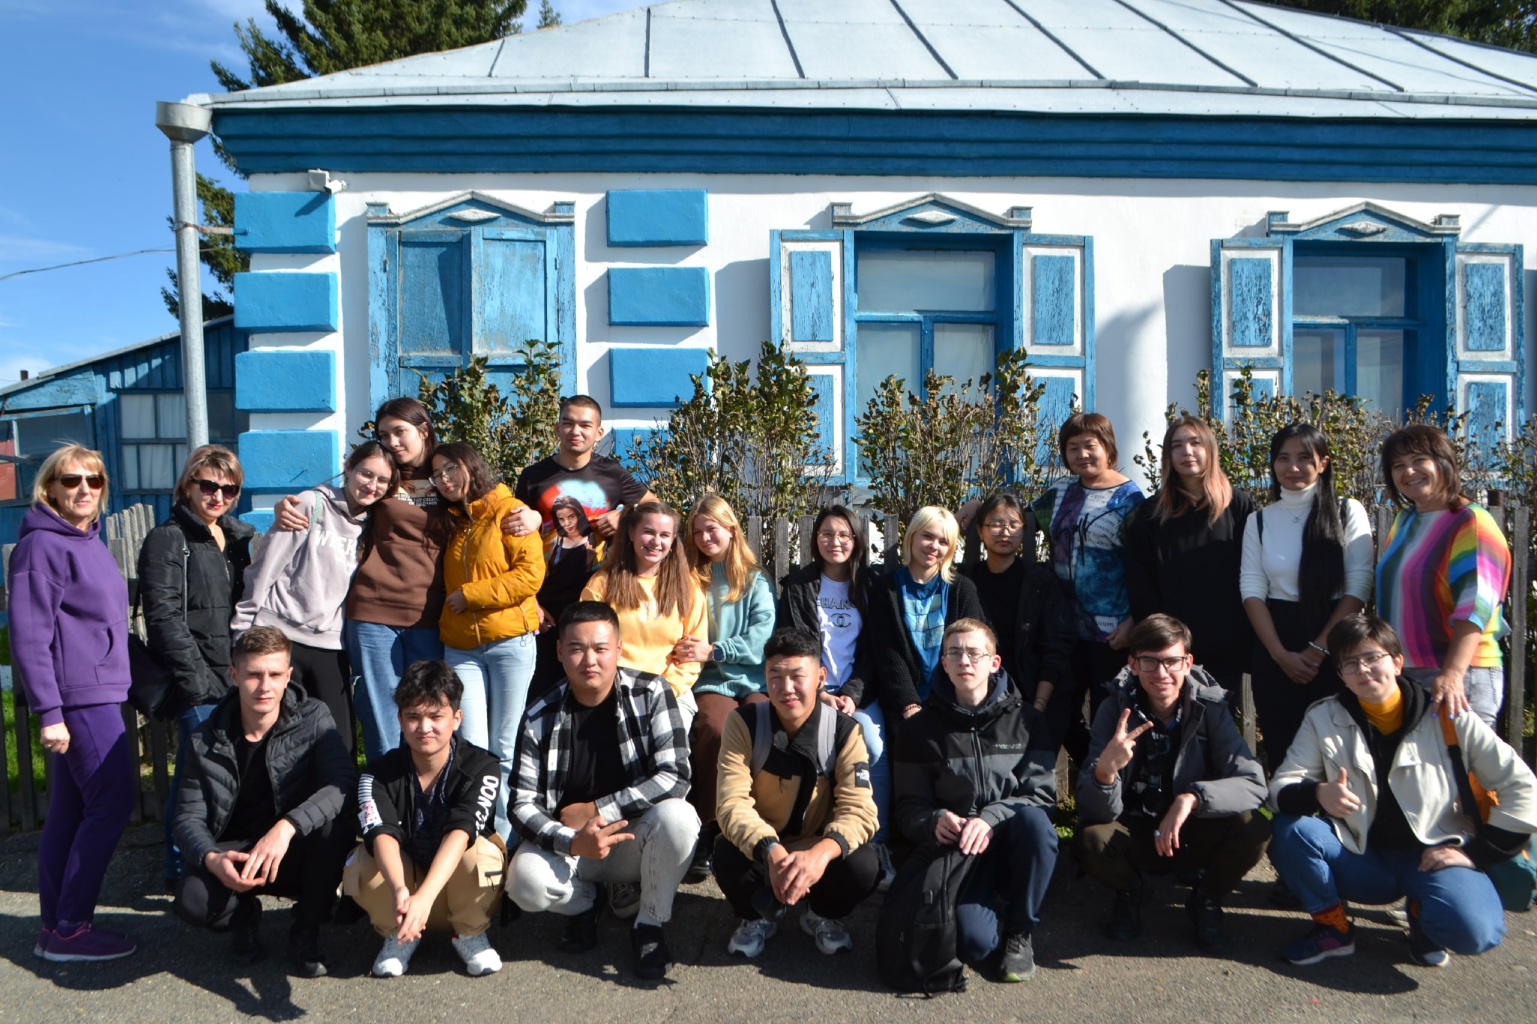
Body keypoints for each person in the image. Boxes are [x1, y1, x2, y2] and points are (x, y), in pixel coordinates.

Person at [1269, 614, 1537, 967]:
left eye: (1372, 658)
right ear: (1341, 675)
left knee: (1475, 931)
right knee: (1291, 830)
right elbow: (1282, 786)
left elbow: (1522, 785)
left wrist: (1477, 853)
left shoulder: (1449, 717)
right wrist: (1318, 794)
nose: (1363, 670)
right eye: (1350, 663)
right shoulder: (1323, 717)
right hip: (1361, 856)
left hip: (1433, 856)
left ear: (1397, 663)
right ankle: (1333, 928)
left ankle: (1422, 915)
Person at [505, 602, 698, 981]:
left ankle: (649, 923)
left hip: (632, 838)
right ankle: (584, 905)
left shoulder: (651, 692)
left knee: (680, 817)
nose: (589, 660)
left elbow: (676, 775)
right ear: (559, 651)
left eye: (600, 648)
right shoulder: (539, 715)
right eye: (576, 649)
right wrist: (573, 841)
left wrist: (599, 809)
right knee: (523, 882)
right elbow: (522, 804)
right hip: (572, 844)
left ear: (619, 649)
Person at [1074, 614, 1270, 953]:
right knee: (1090, 839)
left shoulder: (1211, 708)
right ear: (1133, 664)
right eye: (1149, 662)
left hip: (1189, 831)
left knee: (1254, 828)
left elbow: (1254, 783)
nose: (1161, 673)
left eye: (1171, 661)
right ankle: (1133, 892)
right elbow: (1093, 809)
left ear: (1187, 663)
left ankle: (1206, 899)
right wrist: (1104, 772)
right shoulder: (1113, 709)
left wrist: (1193, 798)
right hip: (1134, 830)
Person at [10, 446, 136, 961]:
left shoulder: (88, 541)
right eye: (71, 480)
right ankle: (72, 927)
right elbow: (28, 635)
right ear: (49, 488)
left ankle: (54, 927)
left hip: (98, 692)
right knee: (112, 801)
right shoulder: (41, 546)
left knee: (70, 810)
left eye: (94, 480)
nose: (84, 488)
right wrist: (50, 713)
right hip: (79, 701)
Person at [273, 397, 450, 762]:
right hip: (373, 613)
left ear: (423, 430)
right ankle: (384, 795)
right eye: (383, 435)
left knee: (429, 712)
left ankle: (424, 792)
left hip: (429, 617)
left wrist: (524, 515)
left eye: (399, 432)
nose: (391, 442)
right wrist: (288, 504)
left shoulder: (446, 475)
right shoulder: (383, 475)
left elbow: (486, 504)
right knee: (381, 713)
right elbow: (337, 496)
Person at [172, 627, 355, 976]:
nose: (264, 686)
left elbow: (342, 783)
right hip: (237, 853)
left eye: (274, 674)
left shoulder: (314, 716)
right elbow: (186, 817)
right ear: (234, 675)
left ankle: (306, 930)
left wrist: (287, 827)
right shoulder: (204, 736)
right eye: (254, 674)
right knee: (193, 901)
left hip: (293, 847)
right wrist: (212, 858)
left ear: (288, 676)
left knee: (335, 833)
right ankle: (243, 918)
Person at [893, 618, 1059, 983]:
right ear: (944, 663)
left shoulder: (1027, 721)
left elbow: (1042, 796)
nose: (964, 661)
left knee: (1036, 823)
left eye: (974, 653)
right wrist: (934, 819)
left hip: (1013, 839)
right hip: (963, 852)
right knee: (975, 945)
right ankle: (989, 907)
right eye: (954, 653)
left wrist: (991, 817)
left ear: (994, 662)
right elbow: (908, 808)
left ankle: (1020, 928)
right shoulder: (920, 730)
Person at [713, 628, 881, 959]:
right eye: (775, 676)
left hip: (816, 846)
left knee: (864, 865)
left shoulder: (845, 731)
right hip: (764, 847)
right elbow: (731, 803)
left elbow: (861, 811)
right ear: (764, 677)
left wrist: (820, 855)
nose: (786, 688)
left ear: (820, 678)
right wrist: (771, 850)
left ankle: (820, 913)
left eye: (797, 676)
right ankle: (756, 917)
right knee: (725, 854)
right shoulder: (743, 723)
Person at [231, 441, 397, 757]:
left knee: (339, 741)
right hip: (280, 637)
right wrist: (243, 630)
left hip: (329, 644)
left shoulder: (375, 524)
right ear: (349, 468)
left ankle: (336, 793)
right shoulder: (310, 504)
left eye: (382, 480)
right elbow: (265, 568)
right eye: (366, 473)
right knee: (276, 738)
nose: (372, 485)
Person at [140, 444, 255, 889]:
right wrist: (197, 681)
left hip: (234, 676)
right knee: (198, 775)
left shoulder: (236, 539)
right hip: (199, 680)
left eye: (229, 489)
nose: (218, 496)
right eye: (208, 485)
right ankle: (178, 867)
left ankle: (202, 860)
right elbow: (164, 618)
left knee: (214, 772)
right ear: (188, 485)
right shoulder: (169, 539)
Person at [346, 659, 507, 978]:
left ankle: (469, 932)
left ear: (456, 718)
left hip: (452, 888)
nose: (424, 727)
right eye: (413, 717)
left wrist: (425, 898)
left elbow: (461, 832)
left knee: (480, 853)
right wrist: (400, 892)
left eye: (436, 716)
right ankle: (399, 933)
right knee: (361, 861)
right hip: (406, 891)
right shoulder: (376, 774)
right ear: (400, 720)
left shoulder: (483, 767)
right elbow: (381, 834)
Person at [1240, 422, 1372, 770]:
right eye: (1283, 458)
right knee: (1283, 752)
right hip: (1276, 640)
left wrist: (1318, 650)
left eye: (1303, 457)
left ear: (1323, 463)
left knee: (1340, 753)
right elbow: (1252, 589)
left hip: (1336, 639)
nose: (1293, 467)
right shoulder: (1259, 521)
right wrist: (1279, 654)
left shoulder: (1347, 511)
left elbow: (1359, 585)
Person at [505, 395, 656, 695]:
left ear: (599, 432)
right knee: (542, 693)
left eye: (585, 425)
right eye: (568, 423)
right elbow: (514, 543)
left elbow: (655, 509)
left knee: (594, 689)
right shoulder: (533, 476)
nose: (576, 431)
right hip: (545, 605)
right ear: (557, 428)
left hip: (598, 600)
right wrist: (530, 601)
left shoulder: (612, 474)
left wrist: (624, 514)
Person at [431, 442, 545, 839]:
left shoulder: (510, 511)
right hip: (461, 647)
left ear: (470, 466)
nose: (444, 480)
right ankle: (480, 837)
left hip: (510, 643)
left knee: (505, 745)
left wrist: (471, 595)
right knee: (472, 743)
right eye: (437, 474)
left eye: (450, 469)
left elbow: (530, 575)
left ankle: (507, 837)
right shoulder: (451, 521)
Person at [776, 505, 893, 884]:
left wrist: (852, 695)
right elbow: (790, 646)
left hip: (858, 692)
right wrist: (819, 692)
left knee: (872, 745)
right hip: (812, 691)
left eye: (844, 535)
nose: (835, 541)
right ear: (816, 539)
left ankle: (878, 841)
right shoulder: (798, 587)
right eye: (827, 534)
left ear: (856, 541)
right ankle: (811, 835)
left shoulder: (871, 587)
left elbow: (875, 652)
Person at [1375, 424, 1511, 729]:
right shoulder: (1405, 520)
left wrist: (1453, 673)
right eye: (1398, 465)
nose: (1408, 472)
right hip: (1408, 673)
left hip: (1460, 674)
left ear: (1443, 463)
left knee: (1460, 761)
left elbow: (1476, 607)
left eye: (1418, 460)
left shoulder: (1471, 522)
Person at [1031, 413, 1146, 761]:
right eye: (1073, 447)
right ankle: (1089, 772)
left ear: (1107, 447)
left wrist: (1134, 621)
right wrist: (978, 506)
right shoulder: (1060, 492)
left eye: (1089, 446)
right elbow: (1019, 520)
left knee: (1108, 716)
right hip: (1063, 627)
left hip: (1110, 634)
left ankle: (1106, 783)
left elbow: (1144, 568)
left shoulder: (1130, 500)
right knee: (1061, 713)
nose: (1082, 454)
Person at [675, 494, 775, 882]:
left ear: (731, 529)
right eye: (697, 532)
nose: (704, 538)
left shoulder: (754, 580)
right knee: (716, 729)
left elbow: (762, 639)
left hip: (753, 679)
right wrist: (705, 655)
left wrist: (716, 649)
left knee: (760, 725)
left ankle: (756, 825)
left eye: (711, 529)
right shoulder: (691, 579)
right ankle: (709, 825)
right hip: (711, 680)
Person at [1125, 416, 1255, 694]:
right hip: (1170, 651)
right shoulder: (1151, 514)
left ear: (1210, 449)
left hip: (1227, 644)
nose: (1187, 451)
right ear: (1168, 456)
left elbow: (1254, 573)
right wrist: (1158, 640)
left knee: (1220, 717)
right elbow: (1141, 583)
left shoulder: (1238, 505)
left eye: (1195, 443)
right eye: (1177, 445)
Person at [964, 492, 1076, 790]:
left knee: (1032, 780)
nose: (1005, 532)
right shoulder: (967, 583)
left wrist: (1038, 705)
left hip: (1036, 691)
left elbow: (1056, 646)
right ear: (980, 531)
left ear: (1024, 532)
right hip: (983, 696)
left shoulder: (1041, 582)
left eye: (1014, 525)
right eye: (995, 524)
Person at [580, 501, 708, 727]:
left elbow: (692, 655)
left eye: (664, 535)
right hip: (614, 689)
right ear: (631, 533)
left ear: (673, 540)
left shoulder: (688, 587)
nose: (656, 542)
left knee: (666, 738)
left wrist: (665, 689)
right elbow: (587, 643)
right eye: (648, 532)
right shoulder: (603, 583)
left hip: (670, 691)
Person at [868, 505, 986, 727]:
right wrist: (909, 704)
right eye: (928, 536)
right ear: (912, 536)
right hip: (901, 705)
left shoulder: (962, 590)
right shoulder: (886, 590)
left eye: (943, 542)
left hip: (954, 703)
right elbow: (887, 652)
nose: (934, 546)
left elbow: (973, 649)